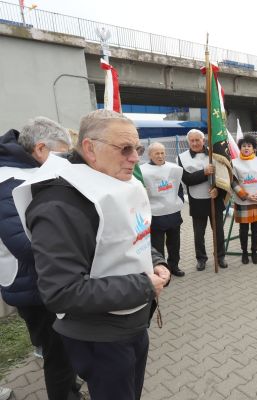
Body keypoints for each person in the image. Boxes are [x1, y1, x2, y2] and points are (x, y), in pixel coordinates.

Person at [13, 110, 170, 400]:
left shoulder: (115, 182)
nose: (135, 157)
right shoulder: (60, 205)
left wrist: (157, 261)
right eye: (124, 148)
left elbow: (132, 235)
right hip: (101, 338)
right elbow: (61, 291)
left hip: (133, 321)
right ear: (89, 149)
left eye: (138, 148)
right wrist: (144, 285)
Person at [0, 117, 81, 400]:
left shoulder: (27, 171)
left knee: (62, 349)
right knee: (57, 355)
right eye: (62, 153)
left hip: (43, 279)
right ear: (41, 149)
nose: (66, 161)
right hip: (33, 284)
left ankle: (71, 388)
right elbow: (24, 245)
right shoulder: (8, 179)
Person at [178, 129, 228, 271]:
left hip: (215, 199)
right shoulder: (181, 157)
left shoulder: (215, 154)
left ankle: (220, 256)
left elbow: (224, 175)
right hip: (197, 200)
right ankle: (201, 259)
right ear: (188, 142)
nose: (195, 143)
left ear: (203, 140)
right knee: (199, 233)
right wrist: (204, 172)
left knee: (218, 231)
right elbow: (187, 179)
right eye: (192, 141)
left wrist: (218, 190)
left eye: (197, 140)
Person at [140, 142, 185, 277]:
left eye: (162, 153)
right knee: (157, 245)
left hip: (173, 213)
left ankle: (174, 266)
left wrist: (179, 201)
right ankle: (161, 270)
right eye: (156, 153)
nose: (160, 156)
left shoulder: (174, 169)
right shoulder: (142, 171)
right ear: (150, 155)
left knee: (174, 243)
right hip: (156, 215)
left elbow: (179, 188)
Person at [231, 134, 257, 264]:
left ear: (254, 148)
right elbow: (233, 182)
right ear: (240, 148)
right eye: (243, 146)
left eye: (249, 146)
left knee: (256, 228)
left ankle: (254, 252)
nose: (246, 148)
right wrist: (245, 195)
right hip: (243, 200)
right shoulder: (234, 163)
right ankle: (244, 252)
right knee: (243, 229)